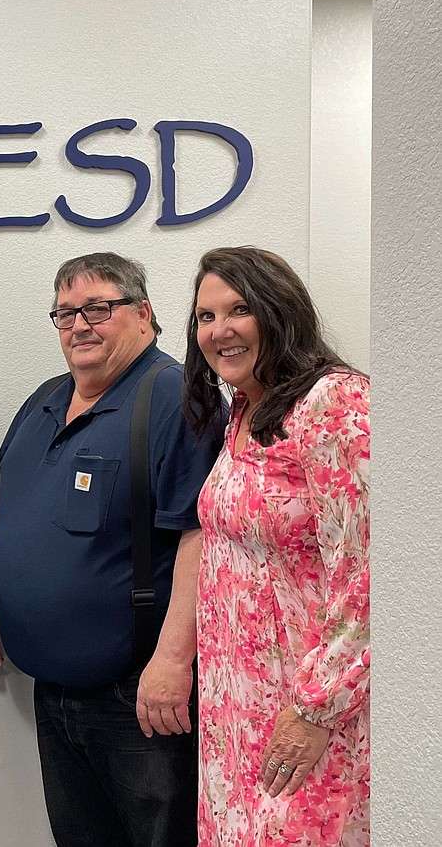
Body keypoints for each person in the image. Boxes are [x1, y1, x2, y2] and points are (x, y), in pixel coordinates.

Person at [0, 251, 223, 847]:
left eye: (98, 309)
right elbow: (12, 512)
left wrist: (173, 663)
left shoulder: (177, 400)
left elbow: (201, 537)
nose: (80, 325)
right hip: (54, 694)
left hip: (139, 697)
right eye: (65, 313)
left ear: (145, 313)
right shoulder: (44, 401)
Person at [182, 247, 369, 846]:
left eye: (239, 310)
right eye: (205, 316)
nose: (220, 330)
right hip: (236, 711)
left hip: (310, 714)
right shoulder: (245, 409)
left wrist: (317, 708)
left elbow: (370, 574)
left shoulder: (336, 404)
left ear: (279, 310)